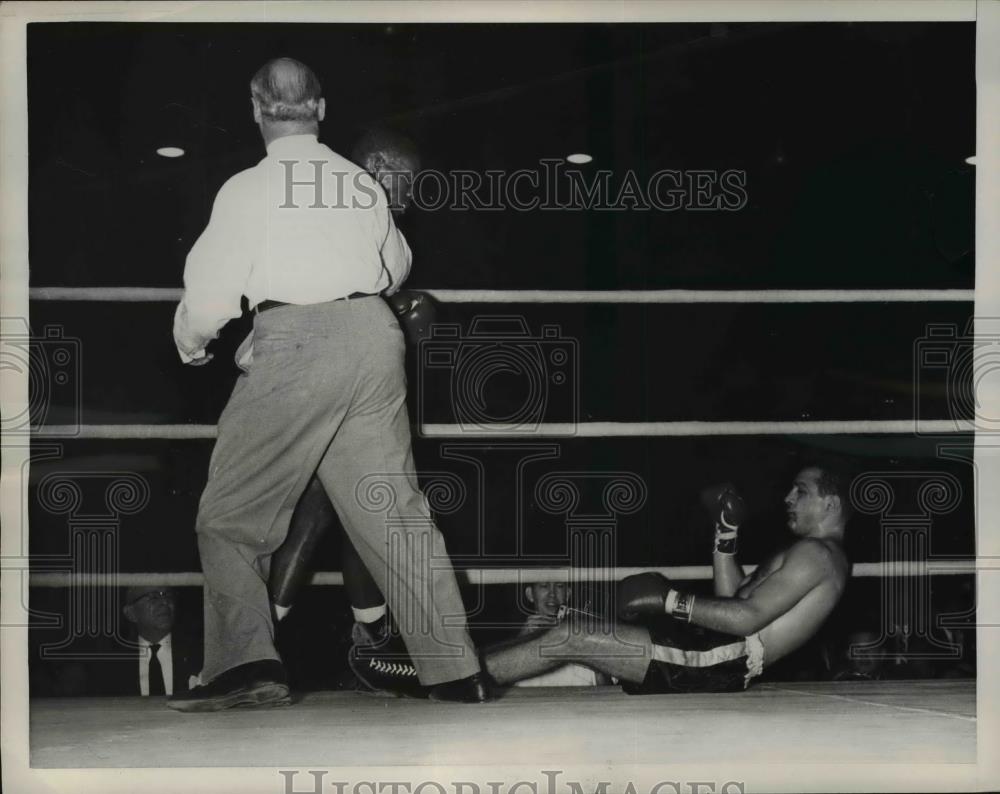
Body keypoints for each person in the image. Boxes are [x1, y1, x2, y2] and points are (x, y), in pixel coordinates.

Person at [168, 57, 488, 711]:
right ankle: (456, 670)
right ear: (320, 109)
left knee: (228, 518)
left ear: (257, 110)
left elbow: (207, 300)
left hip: (296, 345)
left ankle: (245, 666)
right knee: (395, 513)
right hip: (374, 340)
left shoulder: (245, 190)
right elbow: (395, 267)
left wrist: (195, 343)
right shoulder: (360, 185)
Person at [482, 466, 850, 693]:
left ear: (830, 504)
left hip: (724, 659)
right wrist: (724, 538)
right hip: (716, 648)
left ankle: (460, 674)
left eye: (800, 491)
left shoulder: (817, 555)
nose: (788, 497)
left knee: (573, 635)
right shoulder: (811, 553)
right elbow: (731, 598)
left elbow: (748, 618)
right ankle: (457, 670)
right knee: (574, 633)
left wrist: (669, 600)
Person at [512, 581, 609, 687]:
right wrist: (520, 642)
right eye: (544, 586)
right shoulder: (516, 644)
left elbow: (609, 694)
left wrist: (596, 661)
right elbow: (498, 689)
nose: (552, 594)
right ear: (530, 594)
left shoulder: (585, 635)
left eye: (559, 586)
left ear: (567, 593)